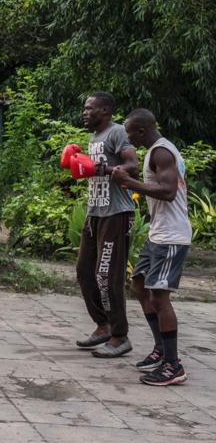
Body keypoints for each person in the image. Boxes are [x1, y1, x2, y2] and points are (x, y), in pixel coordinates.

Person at [112, 109, 191, 385]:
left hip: (172, 236)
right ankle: (161, 350)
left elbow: (168, 193)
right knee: (140, 284)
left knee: (159, 297)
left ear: (142, 131)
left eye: (130, 132)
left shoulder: (162, 153)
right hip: (158, 234)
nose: (128, 137)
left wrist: (130, 183)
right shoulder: (155, 152)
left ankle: (173, 365)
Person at [73, 92, 138, 357]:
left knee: (107, 275)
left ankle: (121, 336)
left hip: (116, 213)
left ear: (105, 111)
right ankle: (103, 326)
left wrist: (102, 169)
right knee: (84, 271)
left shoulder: (117, 132)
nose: (85, 113)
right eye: (85, 108)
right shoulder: (94, 137)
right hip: (96, 212)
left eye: (90, 109)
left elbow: (132, 165)